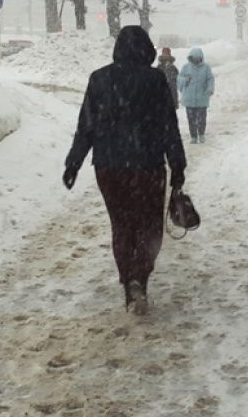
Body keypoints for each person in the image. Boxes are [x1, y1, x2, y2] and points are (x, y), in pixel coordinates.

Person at [63, 26, 187, 315]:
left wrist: (73, 163)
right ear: (146, 48)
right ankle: (139, 279)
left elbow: (86, 126)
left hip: (109, 168)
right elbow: (169, 126)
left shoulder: (99, 79)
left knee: (122, 226)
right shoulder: (155, 80)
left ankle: (127, 281)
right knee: (149, 227)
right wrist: (177, 164)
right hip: (148, 168)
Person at [177, 47, 215, 143]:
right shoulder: (186, 67)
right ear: (191, 58)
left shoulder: (206, 67)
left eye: (198, 58)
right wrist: (185, 79)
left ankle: (201, 134)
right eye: (194, 58)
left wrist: (210, 89)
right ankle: (193, 136)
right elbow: (179, 79)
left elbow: (210, 79)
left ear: (201, 58)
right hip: (189, 99)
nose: (196, 60)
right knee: (191, 119)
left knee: (202, 119)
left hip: (202, 98)